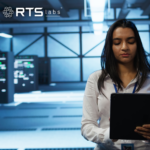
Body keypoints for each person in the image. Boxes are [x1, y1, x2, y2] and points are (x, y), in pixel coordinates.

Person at [81, 19, 150, 150]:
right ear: (110, 46)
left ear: (138, 45)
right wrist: (109, 134)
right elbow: (87, 126)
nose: (125, 47)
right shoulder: (96, 79)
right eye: (117, 42)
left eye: (131, 41)